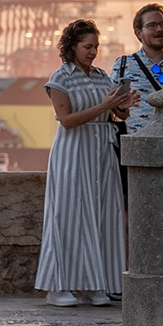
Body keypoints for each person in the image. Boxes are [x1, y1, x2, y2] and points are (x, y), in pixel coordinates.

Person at [35, 19, 139, 307]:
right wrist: (104, 107)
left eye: (96, 46)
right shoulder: (60, 80)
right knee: (68, 217)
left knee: (103, 216)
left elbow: (116, 116)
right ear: (72, 47)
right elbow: (67, 121)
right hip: (73, 152)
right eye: (87, 47)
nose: (93, 52)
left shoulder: (101, 76)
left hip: (102, 150)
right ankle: (58, 286)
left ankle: (96, 284)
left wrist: (122, 106)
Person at [113, 4, 163, 135]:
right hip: (138, 148)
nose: (159, 29)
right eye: (152, 25)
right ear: (138, 33)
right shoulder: (123, 64)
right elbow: (114, 108)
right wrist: (120, 107)